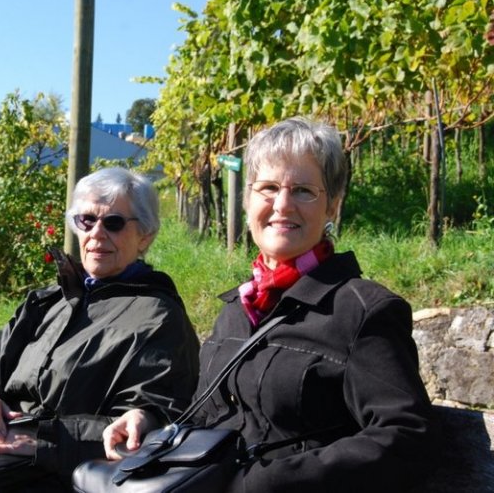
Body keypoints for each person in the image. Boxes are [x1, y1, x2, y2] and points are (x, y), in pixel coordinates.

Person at [102, 118, 436, 492]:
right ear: (247, 202)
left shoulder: (362, 311)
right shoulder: (236, 311)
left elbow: (407, 439)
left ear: (333, 206)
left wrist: (265, 482)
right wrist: (148, 421)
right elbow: (207, 414)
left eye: (304, 191)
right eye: (268, 188)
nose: (282, 204)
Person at [0, 167, 200, 492]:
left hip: (53, 478)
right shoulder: (46, 302)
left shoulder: (158, 317)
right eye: (86, 220)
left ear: (144, 235)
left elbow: (149, 422)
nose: (97, 234)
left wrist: (41, 441)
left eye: (114, 223)